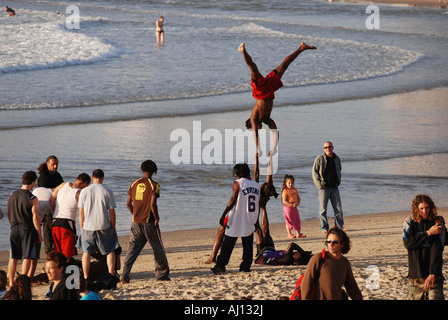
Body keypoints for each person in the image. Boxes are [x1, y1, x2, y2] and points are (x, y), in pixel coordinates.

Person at [239, 42, 316, 157]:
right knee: (284, 66)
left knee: (253, 68)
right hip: (270, 90)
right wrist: (274, 148)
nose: (259, 129)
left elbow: (255, 134)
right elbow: (275, 132)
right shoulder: (267, 119)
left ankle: (243, 50)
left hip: (260, 91)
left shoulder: (254, 117)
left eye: (255, 128)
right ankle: (301, 48)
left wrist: (258, 149)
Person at [205, 154, 278, 264]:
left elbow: (233, 199)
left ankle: (213, 257)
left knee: (223, 231)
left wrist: (257, 159)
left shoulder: (245, 184)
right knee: (251, 236)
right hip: (252, 215)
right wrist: (265, 159)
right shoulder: (257, 187)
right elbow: (264, 175)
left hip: (240, 213)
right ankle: (252, 260)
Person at [121, 160, 170, 283]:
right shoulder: (155, 185)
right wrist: (157, 218)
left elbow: (128, 203)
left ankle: (124, 275)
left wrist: (135, 214)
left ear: (142, 169)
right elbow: (153, 204)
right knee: (158, 249)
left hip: (135, 223)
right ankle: (162, 275)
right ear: (154, 170)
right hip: (149, 223)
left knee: (132, 251)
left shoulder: (134, 183)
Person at [211, 163, 260, 275]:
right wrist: (256, 220)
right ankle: (245, 267)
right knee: (247, 245)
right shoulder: (256, 184)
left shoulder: (238, 183)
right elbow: (257, 203)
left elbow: (233, 199)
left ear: (237, 173)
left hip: (237, 216)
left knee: (228, 243)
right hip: (250, 216)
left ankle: (220, 266)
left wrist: (223, 214)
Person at [76, 169, 119, 283]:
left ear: (92, 177)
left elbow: (81, 212)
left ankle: (86, 277)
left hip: (88, 226)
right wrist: (113, 227)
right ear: (103, 178)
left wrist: (81, 227)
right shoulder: (107, 191)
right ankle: (111, 274)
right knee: (110, 251)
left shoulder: (84, 191)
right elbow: (112, 212)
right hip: (104, 225)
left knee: (86, 252)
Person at [403, 194, 446, 300]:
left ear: (431, 207)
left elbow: (437, 249)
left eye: (427, 208)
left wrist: (433, 273)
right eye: (421, 208)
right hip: (415, 276)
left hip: (433, 276)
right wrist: (428, 233)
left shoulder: (437, 223)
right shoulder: (409, 222)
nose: (425, 211)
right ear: (416, 209)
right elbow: (408, 243)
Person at [301, 227, 362, 300]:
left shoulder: (345, 262)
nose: (331, 244)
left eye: (335, 242)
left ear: (342, 244)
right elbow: (306, 284)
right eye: (328, 241)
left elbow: (352, 287)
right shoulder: (318, 258)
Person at [7, 171, 43, 288]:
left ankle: (11, 282)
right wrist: (39, 234)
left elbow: (9, 213)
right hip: (27, 227)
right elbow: (35, 218)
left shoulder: (12, 194)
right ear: (33, 182)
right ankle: (22, 282)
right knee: (27, 256)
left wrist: (12, 224)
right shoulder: (32, 198)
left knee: (14, 257)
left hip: (14, 226)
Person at [51, 173, 91, 258]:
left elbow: (51, 199)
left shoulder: (63, 185)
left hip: (55, 222)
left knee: (57, 253)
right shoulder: (79, 193)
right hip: (67, 224)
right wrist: (82, 229)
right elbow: (81, 213)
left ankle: (58, 270)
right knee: (67, 255)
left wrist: (54, 212)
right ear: (85, 183)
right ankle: (66, 270)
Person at [312, 141, 345, 233]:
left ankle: (339, 226)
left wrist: (338, 181)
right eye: (326, 147)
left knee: (338, 208)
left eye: (329, 147)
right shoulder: (320, 159)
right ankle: (324, 227)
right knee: (323, 209)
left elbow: (339, 170)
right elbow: (315, 173)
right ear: (324, 149)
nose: (328, 149)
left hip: (334, 187)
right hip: (323, 188)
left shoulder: (337, 158)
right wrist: (319, 185)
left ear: (333, 148)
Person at [38, 155, 64, 253]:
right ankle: (48, 250)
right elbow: (43, 191)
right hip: (47, 204)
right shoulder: (44, 176)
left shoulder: (57, 175)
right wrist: (57, 189)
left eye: (57, 164)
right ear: (48, 164)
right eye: (53, 164)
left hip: (57, 205)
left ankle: (56, 248)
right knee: (48, 228)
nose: (55, 166)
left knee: (55, 227)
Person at [29, 186, 53, 280]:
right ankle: (30, 277)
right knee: (34, 254)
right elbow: (36, 218)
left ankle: (27, 276)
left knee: (27, 254)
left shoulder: (35, 191)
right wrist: (39, 234)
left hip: (22, 224)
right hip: (34, 225)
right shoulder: (51, 203)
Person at [281, 174, 305, 239]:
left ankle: (298, 233)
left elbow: (298, 197)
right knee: (289, 221)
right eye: (289, 183)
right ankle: (289, 234)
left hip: (294, 207)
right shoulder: (285, 191)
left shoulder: (295, 189)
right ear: (286, 183)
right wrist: (291, 204)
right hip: (288, 208)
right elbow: (284, 201)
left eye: (292, 183)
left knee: (297, 219)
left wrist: (298, 203)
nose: (290, 184)